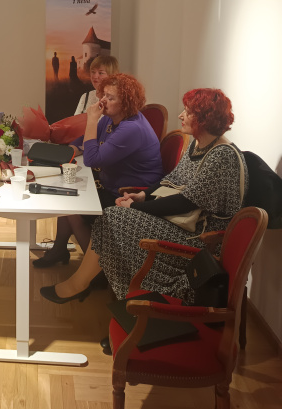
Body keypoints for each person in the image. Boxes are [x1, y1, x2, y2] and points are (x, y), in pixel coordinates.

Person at [40, 88, 247, 304]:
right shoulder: (200, 143)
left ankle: (85, 285)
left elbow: (185, 202)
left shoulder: (222, 156)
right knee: (112, 216)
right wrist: (142, 195)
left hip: (201, 238)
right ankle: (89, 283)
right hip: (186, 223)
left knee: (113, 216)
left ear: (204, 119)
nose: (181, 115)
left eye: (188, 112)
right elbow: (172, 180)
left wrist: (135, 207)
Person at [33, 73, 162, 270]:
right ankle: (59, 249)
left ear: (126, 103)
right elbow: (88, 138)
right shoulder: (112, 119)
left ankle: (99, 270)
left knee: (73, 207)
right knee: (68, 195)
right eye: (104, 95)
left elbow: (92, 160)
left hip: (129, 193)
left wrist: (92, 120)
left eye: (111, 98)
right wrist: (71, 150)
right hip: (112, 183)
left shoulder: (131, 128)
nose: (103, 101)